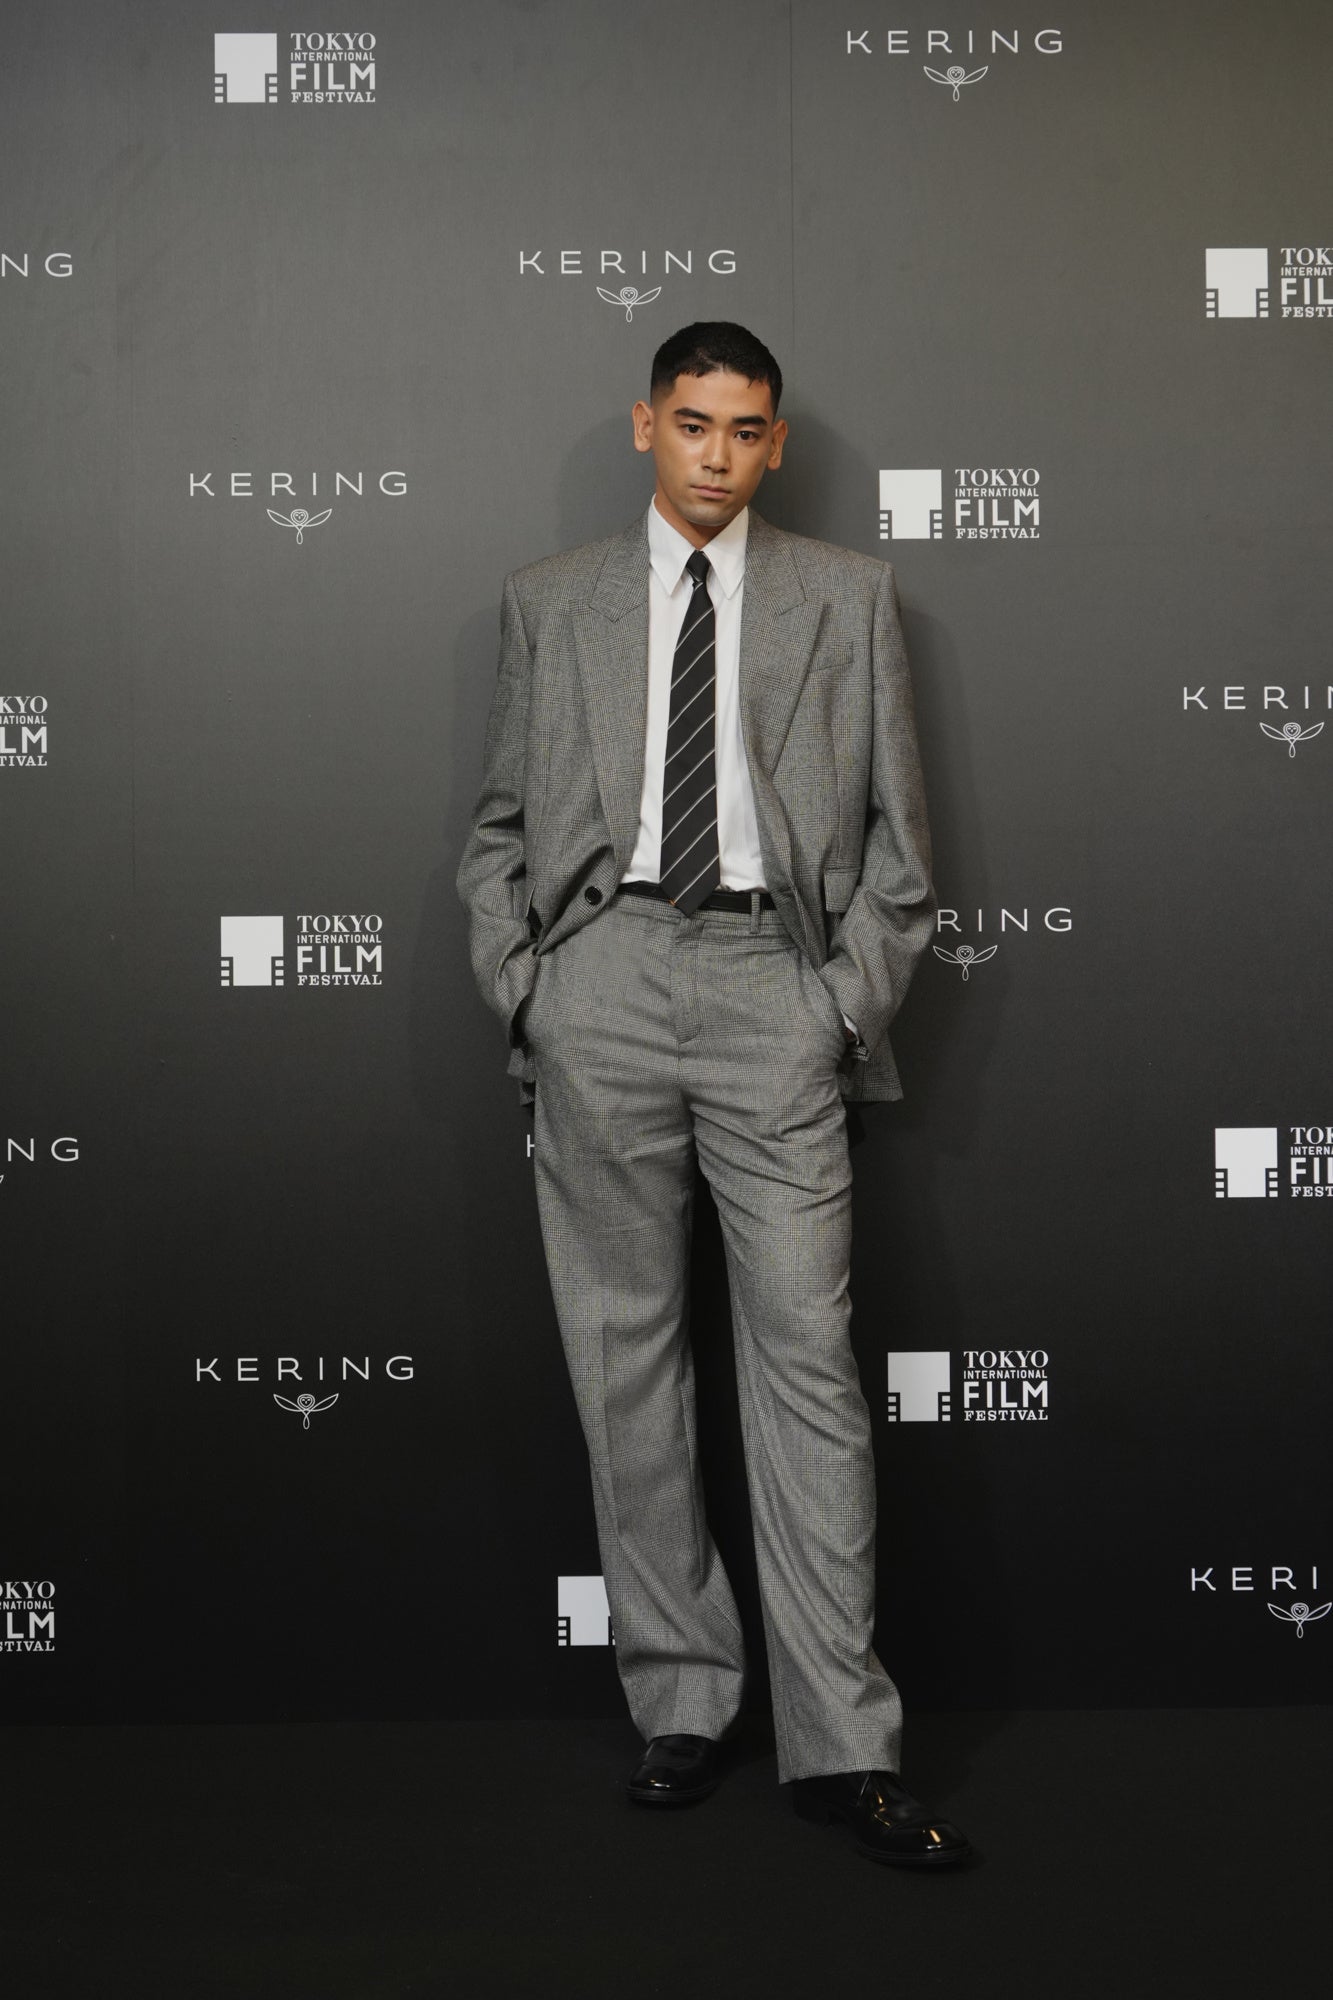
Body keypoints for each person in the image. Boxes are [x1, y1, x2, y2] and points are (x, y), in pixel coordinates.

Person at [457, 322, 970, 1867]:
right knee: (624, 1364)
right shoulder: (551, 601)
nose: (717, 455)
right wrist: (530, 986)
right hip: (601, 980)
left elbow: (900, 853)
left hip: (771, 988)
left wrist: (835, 1008)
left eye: (745, 431)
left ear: (774, 443)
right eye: (692, 424)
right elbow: (498, 826)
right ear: (646, 426)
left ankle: (841, 1744)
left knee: (806, 1363)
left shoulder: (847, 596)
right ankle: (679, 1700)